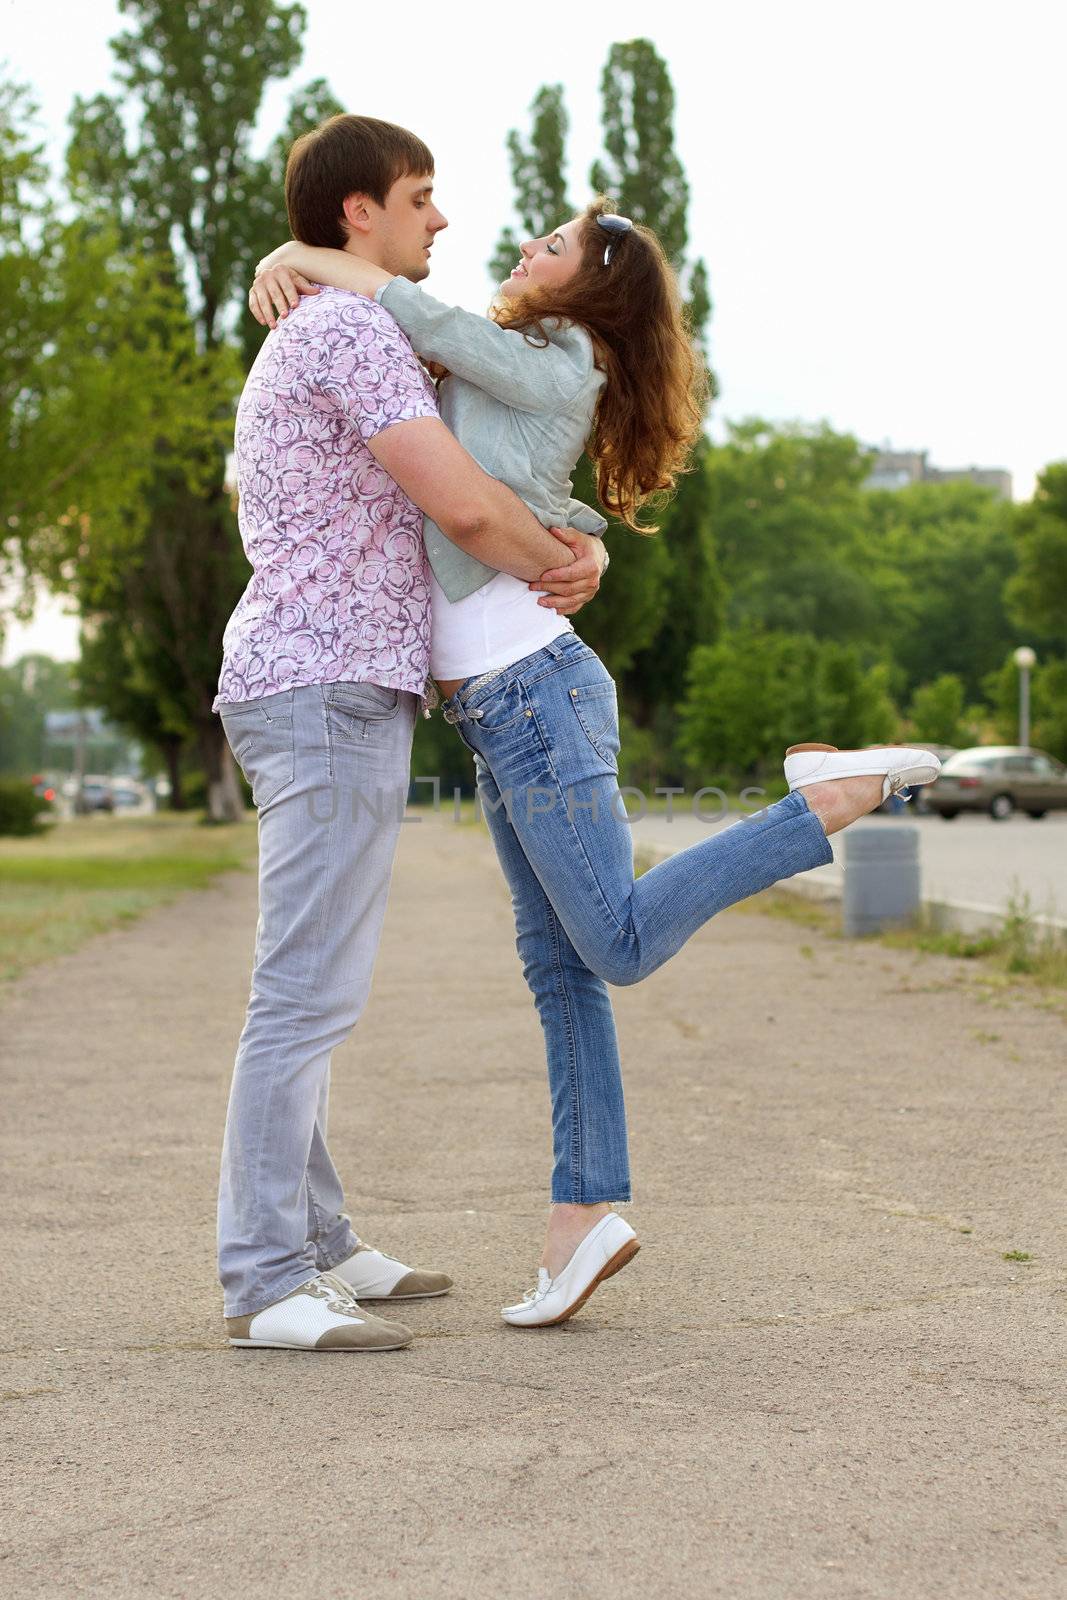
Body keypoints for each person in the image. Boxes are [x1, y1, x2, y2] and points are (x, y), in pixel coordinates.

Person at [251, 197, 941, 1331]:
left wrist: (298, 252)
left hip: (533, 693)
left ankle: (818, 799)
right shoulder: (534, 361)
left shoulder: (558, 352)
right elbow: (516, 472)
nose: (530, 247)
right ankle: (581, 1220)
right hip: (500, 708)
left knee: (611, 942)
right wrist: (588, 543)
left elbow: (426, 324)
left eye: (556, 245)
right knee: (561, 969)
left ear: (592, 288)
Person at [215, 113, 610, 1355]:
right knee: (305, 992)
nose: (441, 218)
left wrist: (573, 532)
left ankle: (320, 1241)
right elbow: (462, 505)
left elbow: (498, 467)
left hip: (322, 680)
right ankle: (265, 1275)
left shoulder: (340, 318)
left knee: (311, 984)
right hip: (325, 686)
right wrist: (570, 565)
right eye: (420, 195)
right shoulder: (346, 328)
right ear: (359, 216)